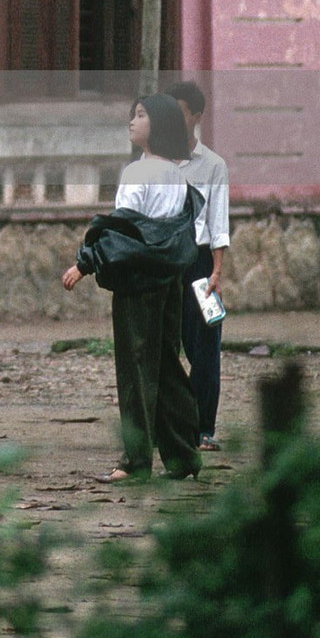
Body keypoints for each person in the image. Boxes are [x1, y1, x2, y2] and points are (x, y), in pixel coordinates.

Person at [63, 94, 202, 481]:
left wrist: (84, 263)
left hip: (138, 282)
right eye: (133, 114)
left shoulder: (137, 173)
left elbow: (123, 230)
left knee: (136, 367)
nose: (132, 121)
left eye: (141, 115)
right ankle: (183, 456)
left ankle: (136, 461)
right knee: (168, 365)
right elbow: (170, 231)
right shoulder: (177, 176)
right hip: (169, 280)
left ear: (159, 124)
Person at [168, 80, 230, 451]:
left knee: (205, 346)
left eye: (180, 114)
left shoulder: (213, 166)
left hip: (200, 263)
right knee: (165, 346)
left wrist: (216, 272)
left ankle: (203, 428)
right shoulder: (154, 163)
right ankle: (170, 426)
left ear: (196, 116)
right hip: (164, 263)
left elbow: (218, 223)